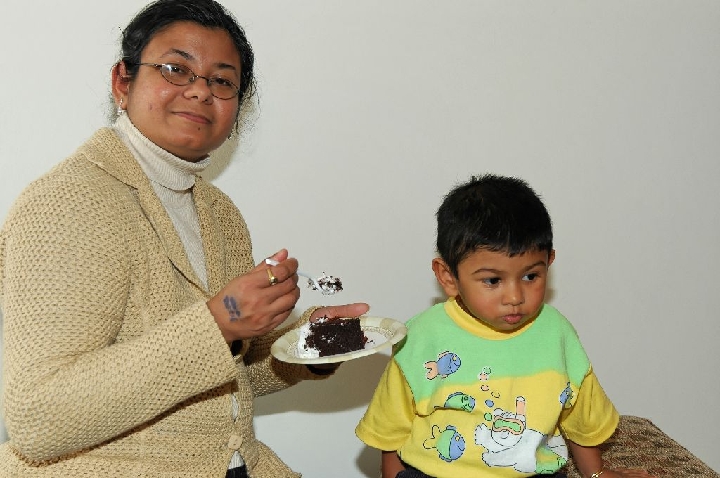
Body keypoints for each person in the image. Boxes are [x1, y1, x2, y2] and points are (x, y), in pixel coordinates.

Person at [0, 0, 367, 476]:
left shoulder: (218, 213)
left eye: (222, 81)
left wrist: (310, 346)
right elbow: (40, 418)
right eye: (176, 69)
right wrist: (221, 322)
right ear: (123, 82)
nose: (199, 91)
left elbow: (220, 377)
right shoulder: (68, 201)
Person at [355, 174, 654, 478]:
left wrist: (597, 473)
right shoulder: (421, 337)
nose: (514, 297)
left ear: (549, 262)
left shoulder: (557, 333)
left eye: (530, 276)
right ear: (448, 277)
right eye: (492, 280)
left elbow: (581, 416)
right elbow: (391, 430)